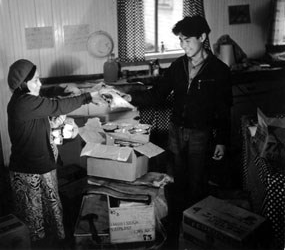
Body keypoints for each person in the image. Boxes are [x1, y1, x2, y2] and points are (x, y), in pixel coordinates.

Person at [129, 15, 233, 245]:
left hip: (200, 134)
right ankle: (174, 228)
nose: (183, 46)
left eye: (187, 40)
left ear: (203, 37)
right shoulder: (178, 66)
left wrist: (222, 141)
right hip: (176, 131)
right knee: (174, 180)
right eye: (181, 41)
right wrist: (129, 97)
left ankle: (195, 232)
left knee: (197, 183)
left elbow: (224, 110)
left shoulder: (219, 70)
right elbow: (157, 95)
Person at [7, 59, 105, 248]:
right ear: (22, 84)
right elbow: (55, 107)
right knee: (34, 218)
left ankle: (54, 241)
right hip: (29, 171)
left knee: (51, 211)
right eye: (35, 80)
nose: (40, 83)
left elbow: (45, 93)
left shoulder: (27, 97)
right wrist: (88, 96)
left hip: (44, 165)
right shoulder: (24, 103)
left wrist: (61, 89)